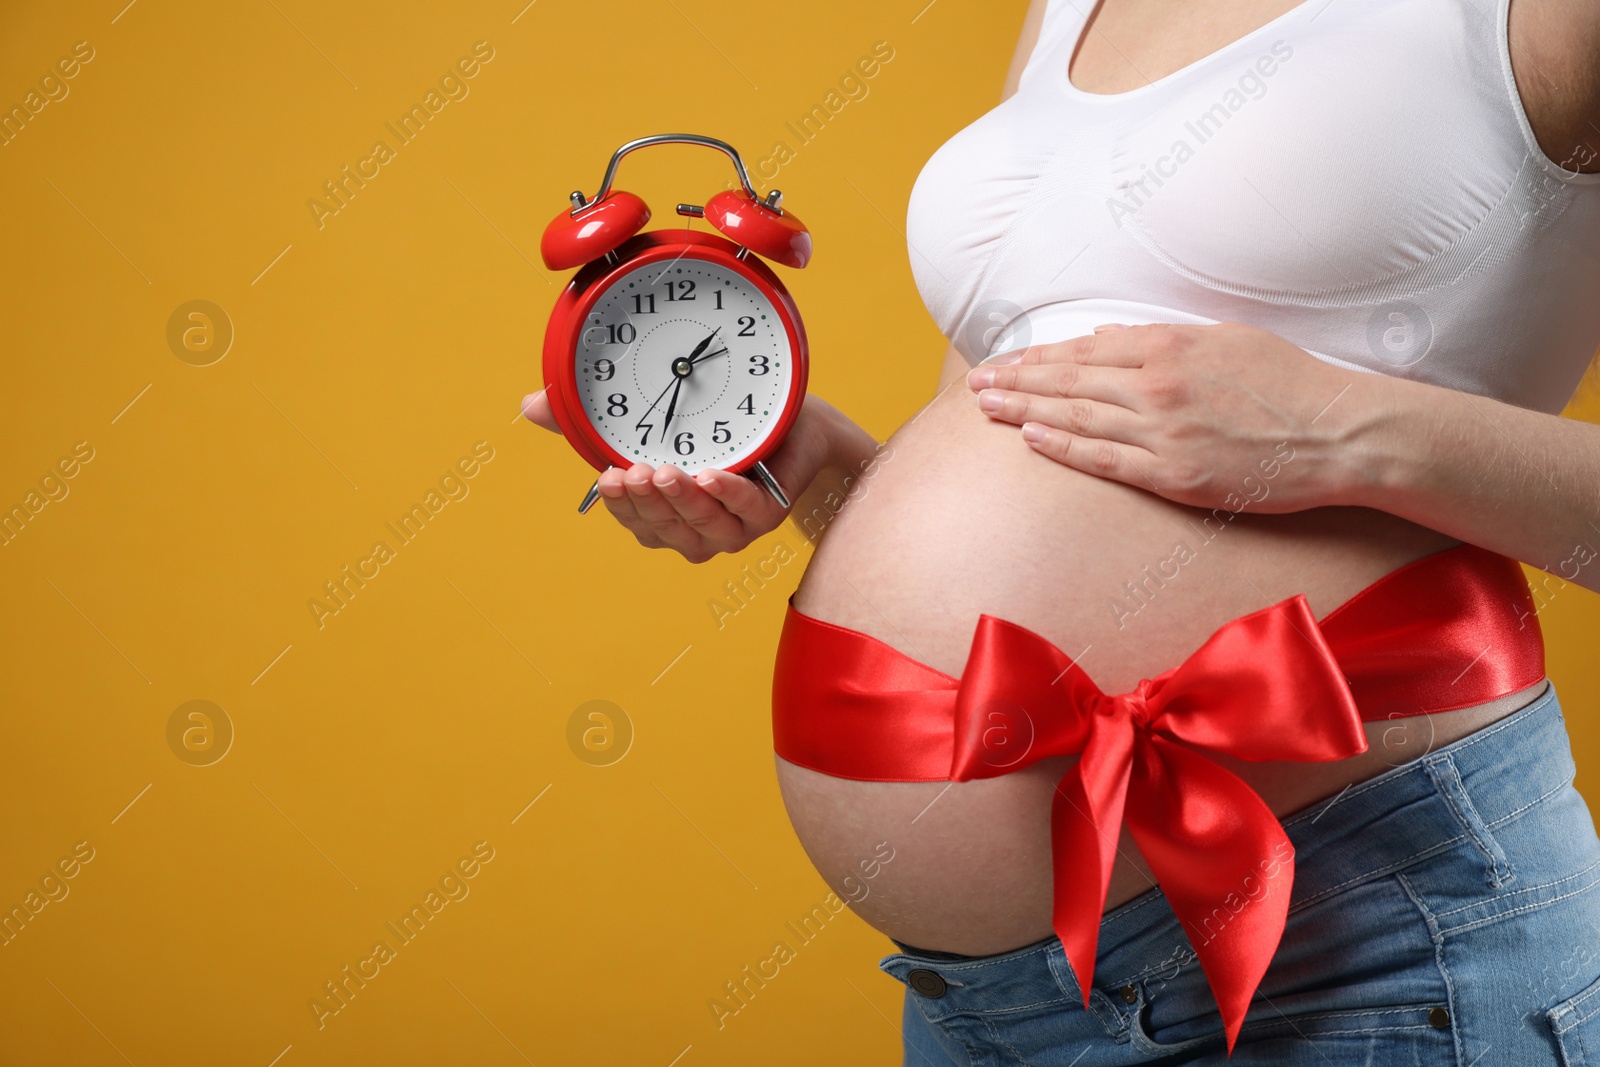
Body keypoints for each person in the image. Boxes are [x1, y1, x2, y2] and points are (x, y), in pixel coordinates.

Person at [525, 0, 1600, 1061]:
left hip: (1369, 946)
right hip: (982, 1006)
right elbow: (1022, 433)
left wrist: (1343, 428)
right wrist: (824, 483)